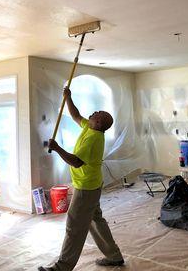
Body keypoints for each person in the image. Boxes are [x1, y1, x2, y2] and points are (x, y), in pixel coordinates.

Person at [38, 87, 124, 271]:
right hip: (90, 184)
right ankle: (114, 256)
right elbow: (75, 115)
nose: (93, 112)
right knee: (95, 220)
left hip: (86, 188)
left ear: (99, 122)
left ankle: (62, 267)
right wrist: (68, 97)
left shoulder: (94, 138)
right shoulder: (88, 126)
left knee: (74, 225)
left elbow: (76, 162)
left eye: (97, 113)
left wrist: (57, 147)